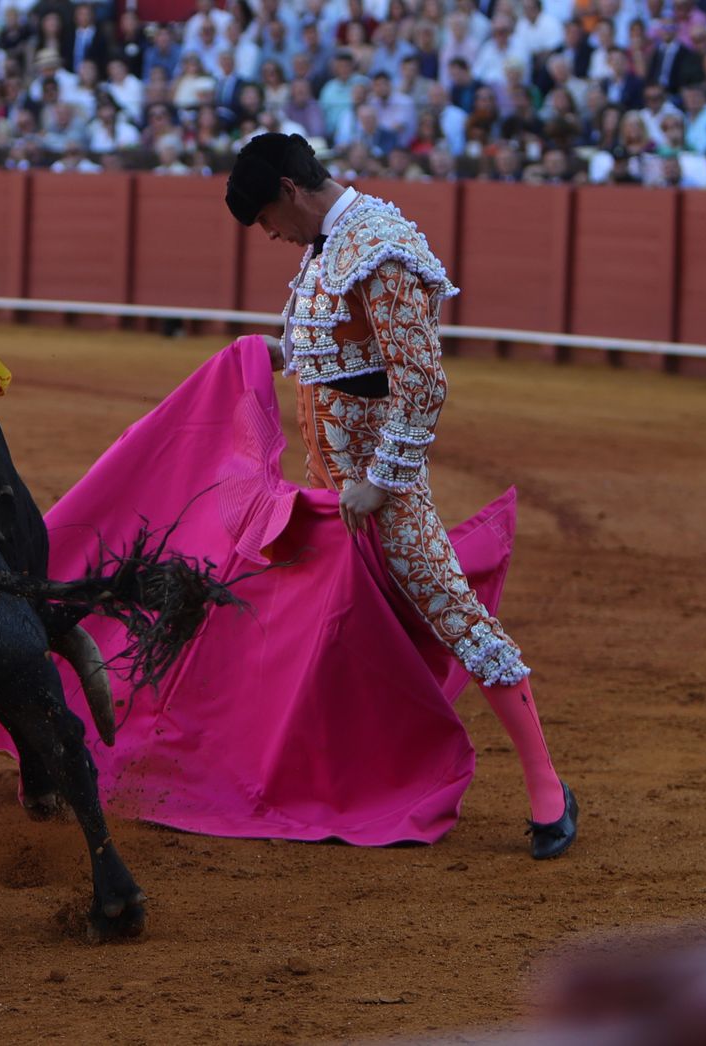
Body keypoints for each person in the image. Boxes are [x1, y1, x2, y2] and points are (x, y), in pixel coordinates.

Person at [223, 132, 578, 860]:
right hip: (330, 492)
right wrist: (268, 354)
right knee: (323, 632)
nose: (269, 234)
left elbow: (420, 384)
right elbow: (343, 354)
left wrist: (380, 485)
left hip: (379, 493)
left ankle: (547, 786)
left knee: (451, 611)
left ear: (289, 190)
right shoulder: (328, 246)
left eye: (266, 218)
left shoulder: (377, 246)